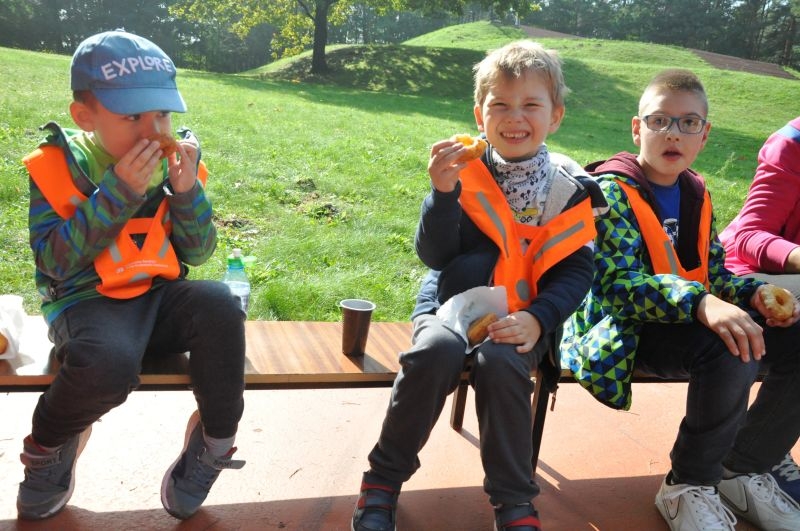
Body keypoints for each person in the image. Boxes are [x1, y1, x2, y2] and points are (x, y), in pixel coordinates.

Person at [350, 40, 607, 531]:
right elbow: (435, 256)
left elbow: (576, 273)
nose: (515, 117)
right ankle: (381, 481)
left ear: (555, 116)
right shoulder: (462, 171)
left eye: (531, 104)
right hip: (450, 304)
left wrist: (538, 319)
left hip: (525, 315)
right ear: (479, 115)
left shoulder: (570, 189)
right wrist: (442, 194)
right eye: (500, 105)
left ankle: (513, 503)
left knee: (501, 363)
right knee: (434, 353)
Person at [17, 30, 246, 521]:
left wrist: (186, 193)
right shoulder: (61, 165)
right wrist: (118, 192)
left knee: (221, 306)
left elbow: (199, 252)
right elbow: (55, 261)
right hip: (86, 303)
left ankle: (214, 443)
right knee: (109, 364)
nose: (152, 131)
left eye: (161, 114)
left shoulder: (178, 164)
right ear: (86, 116)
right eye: (131, 117)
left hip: (157, 296)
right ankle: (50, 446)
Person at [562, 69, 800, 531]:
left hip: (684, 319)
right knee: (729, 345)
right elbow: (616, 288)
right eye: (660, 121)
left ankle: (744, 467)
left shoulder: (695, 190)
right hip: (619, 333)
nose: (673, 133)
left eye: (688, 123)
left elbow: (713, 274)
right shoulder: (610, 193)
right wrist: (701, 304)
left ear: (704, 135)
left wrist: (753, 293)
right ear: (637, 129)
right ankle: (686, 485)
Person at [719, 117, 800, 504]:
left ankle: (767, 445)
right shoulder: (793, 143)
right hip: (746, 280)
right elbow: (749, 236)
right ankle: (744, 463)